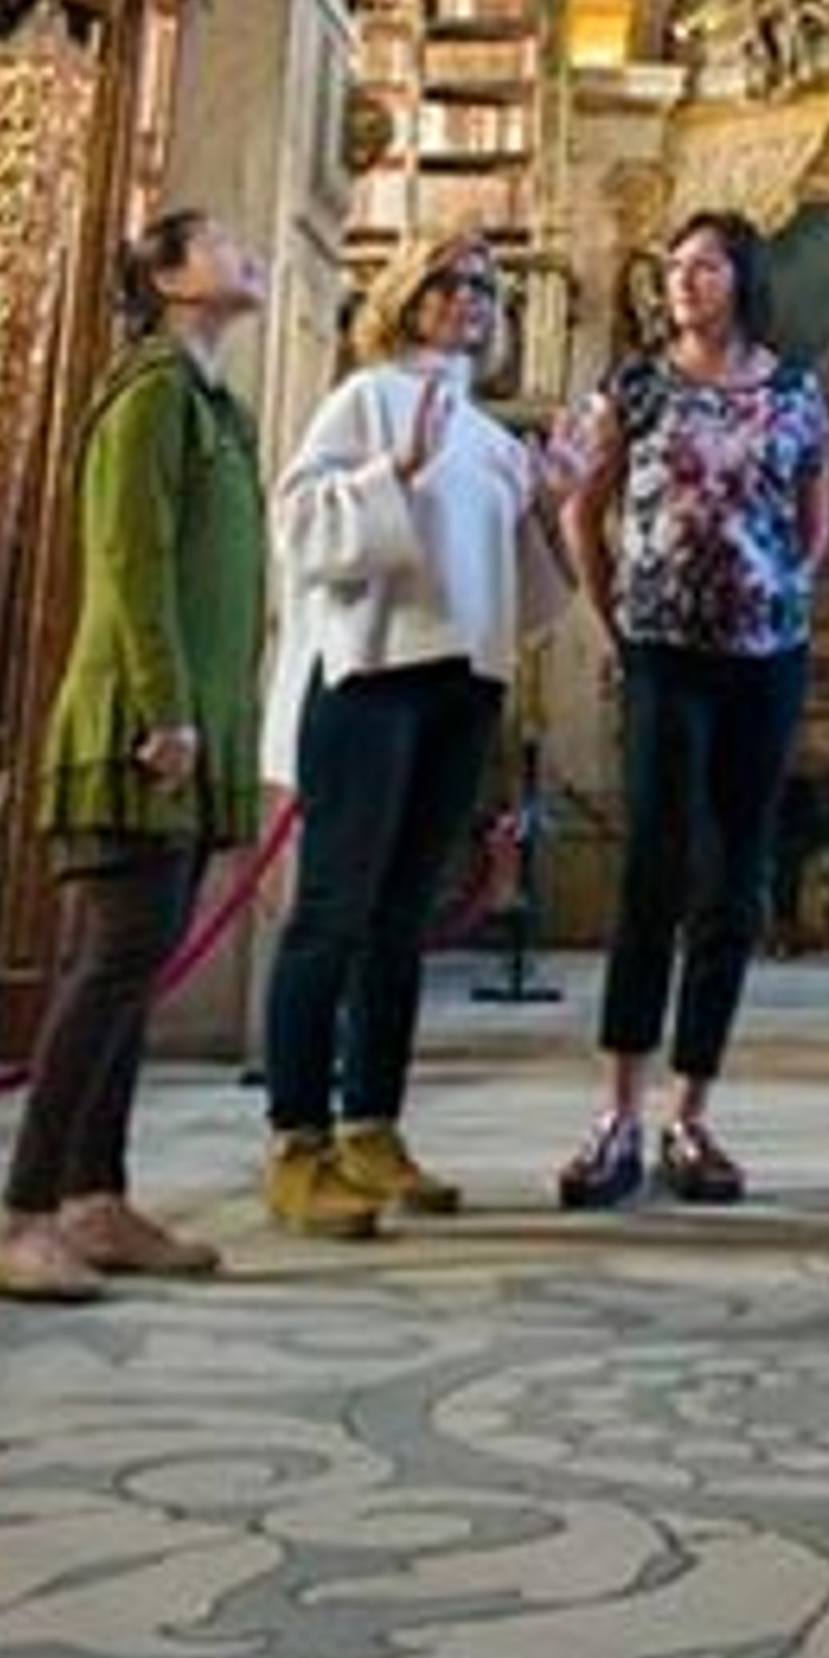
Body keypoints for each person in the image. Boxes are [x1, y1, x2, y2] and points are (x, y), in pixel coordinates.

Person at [0, 207, 272, 1304]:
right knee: (108, 972)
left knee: (131, 974)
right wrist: (168, 712)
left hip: (188, 732)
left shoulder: (214, 406)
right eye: (229, 247)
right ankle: (23, 1215)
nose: (255, 256)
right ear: (172, 280)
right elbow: (131, 565)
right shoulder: (148, 397)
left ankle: (95, 1202)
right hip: (138, 734)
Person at [258, 235, 573, 1234]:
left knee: (404, 916)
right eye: (451, 283)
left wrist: (553, 500)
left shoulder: (484, 434)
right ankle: (297, 1141)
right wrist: (389, 472)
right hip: (371, 676)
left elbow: (516, 589)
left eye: (486, 287)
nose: (472, 300)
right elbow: (301, 525)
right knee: (333, 912)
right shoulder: (366, 397)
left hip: (459, 684)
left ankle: (373, 1127)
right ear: (409, 297)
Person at [557, 207, 829, 1207]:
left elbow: (815, 516)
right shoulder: (632, 384)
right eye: (675, 266)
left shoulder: (797, 388)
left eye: (706, 266)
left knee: (736, 884)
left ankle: (692, 1116)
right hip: (662, 654)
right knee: (650, 873)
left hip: (765, 660)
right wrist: (619, 619)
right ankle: (616, 1115)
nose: (685, 281)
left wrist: (777, 597)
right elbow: (581, 510)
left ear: (742, 280)